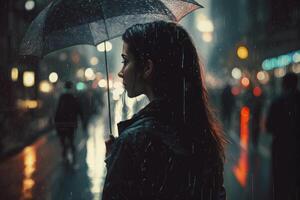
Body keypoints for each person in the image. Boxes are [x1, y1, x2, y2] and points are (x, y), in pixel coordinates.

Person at [102, 21, 227, 200]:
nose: (121, 72)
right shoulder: (201, 133)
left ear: (147, 68)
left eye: (126, 61)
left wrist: (116, 162)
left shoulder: (134, 142)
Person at [266, 72, 300, 200]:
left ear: (283, 84)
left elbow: (269, 126)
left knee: (280, 182)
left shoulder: (277, 102)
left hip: (281, 147)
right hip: (297, 147)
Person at [54, 81, 83, 165]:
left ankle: (64, 154)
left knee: (63, 139)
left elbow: (58, 110)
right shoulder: (73, 97)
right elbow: (78, 109)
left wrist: (56, 121)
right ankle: (73, 157)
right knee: (71, 139)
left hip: (62, 122)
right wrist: (82, 119)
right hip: (71, 122)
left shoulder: (62, 97)